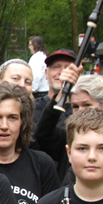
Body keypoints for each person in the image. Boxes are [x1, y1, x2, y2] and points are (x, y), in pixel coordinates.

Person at [31, 49, 83, 180]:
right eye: (56, 67)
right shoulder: (30, 108)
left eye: (68, 68)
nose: (62, 72)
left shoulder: (82, 111)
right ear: (46, 73)